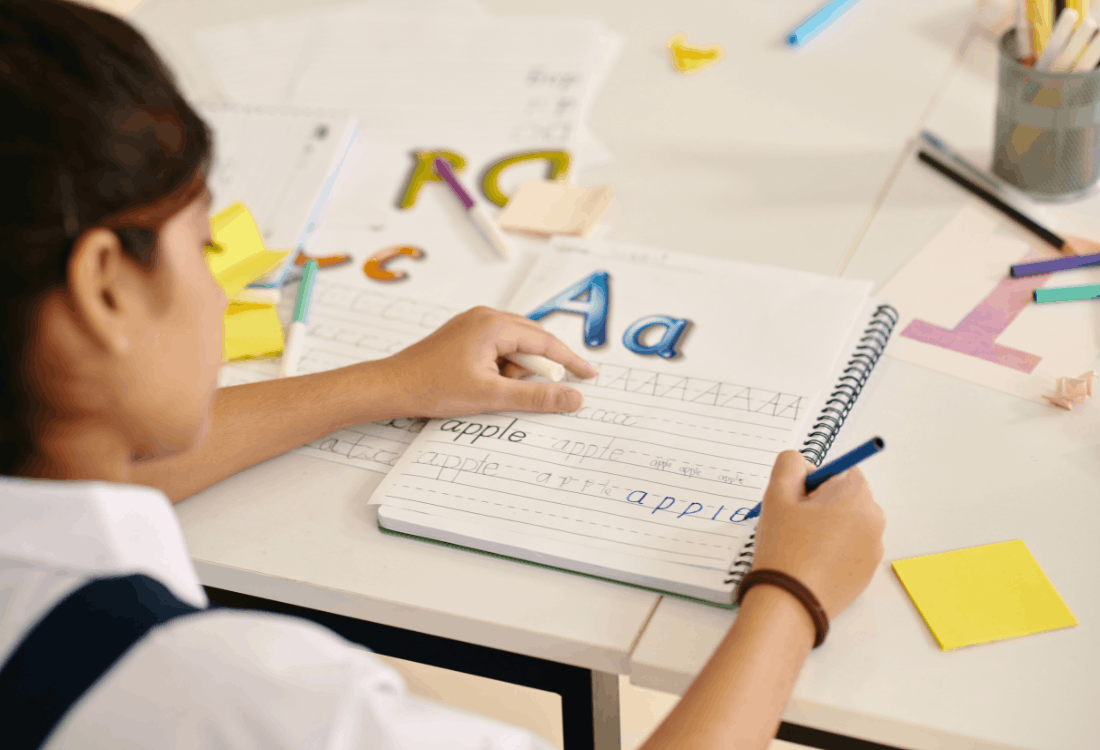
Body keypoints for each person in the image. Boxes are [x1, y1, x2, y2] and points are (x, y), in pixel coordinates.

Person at [0, 2, 886, 748]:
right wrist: (792, 595)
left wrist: (384, 382)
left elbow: (91, 473)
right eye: (203, 245)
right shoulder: (238, 699)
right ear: (107, 288)